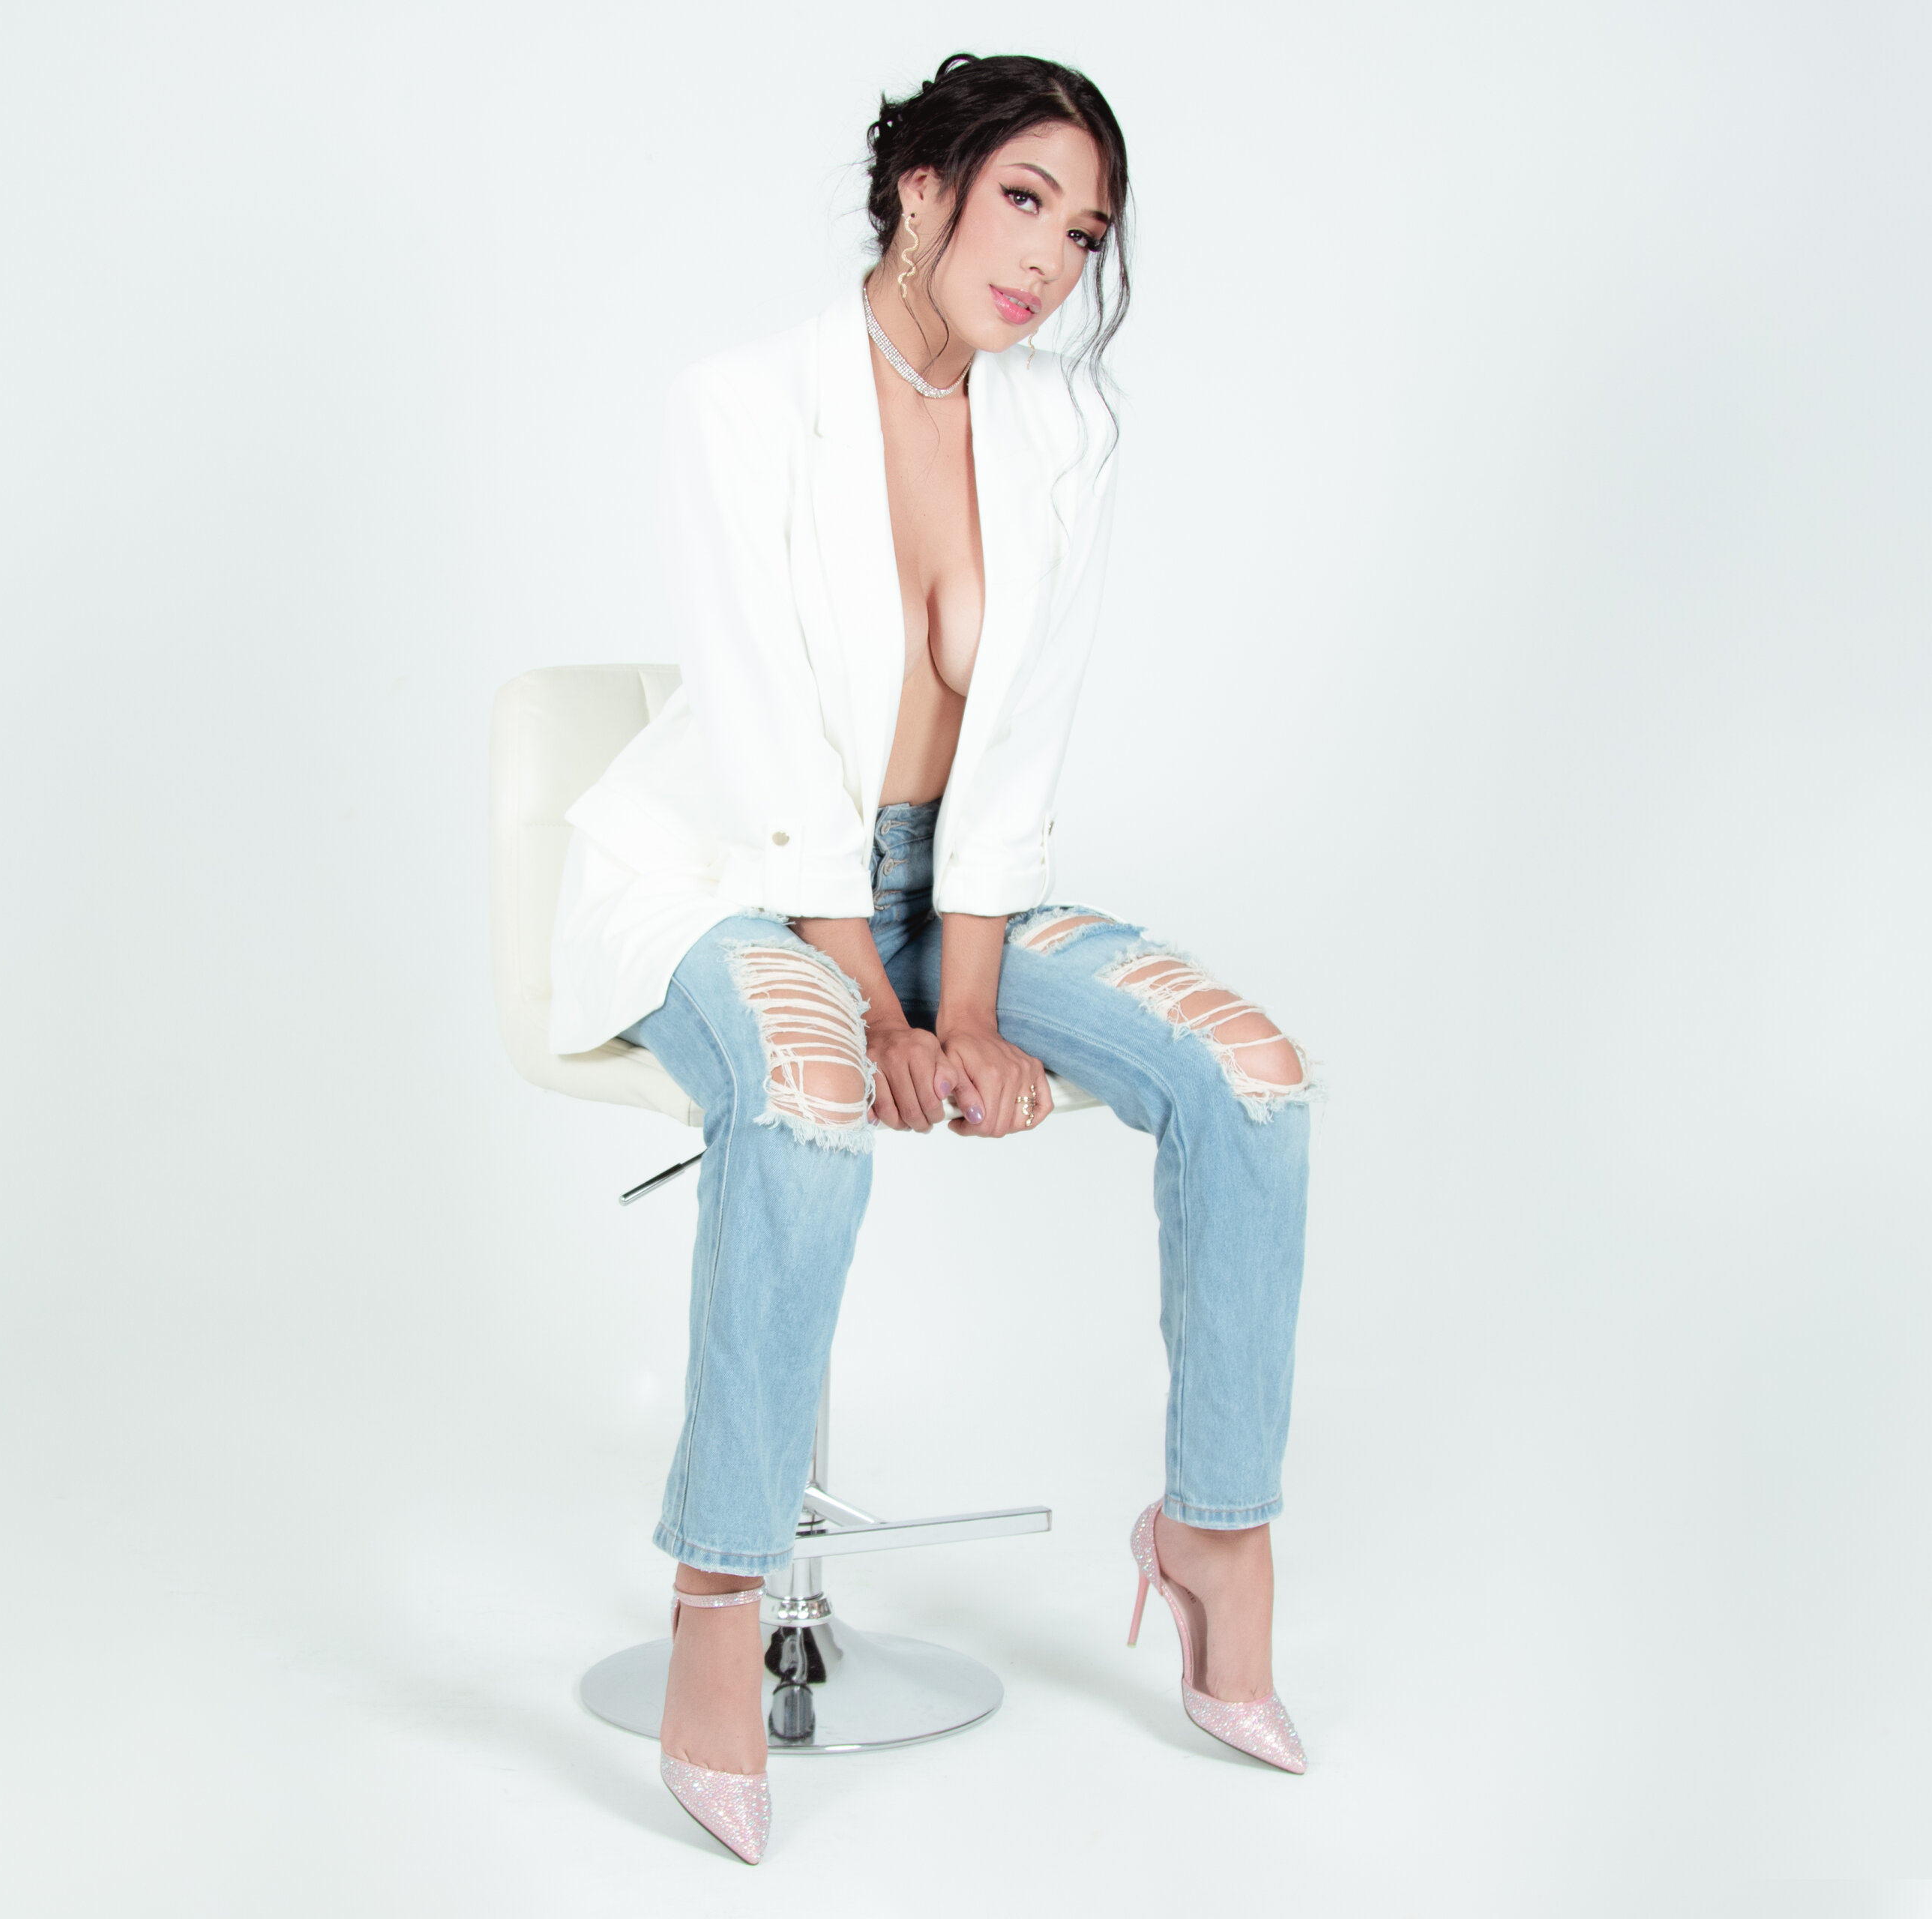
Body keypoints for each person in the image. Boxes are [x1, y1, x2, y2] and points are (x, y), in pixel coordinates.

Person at [546, 52, 1317, 1864]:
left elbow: (1018, 743)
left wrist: (963, 1004)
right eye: (1025, 199)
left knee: (1252, 1079)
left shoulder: (1062, 436)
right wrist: (881, 1013)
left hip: (943, 885)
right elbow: (763, 737)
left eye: (1087, 231)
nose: (1050, 257)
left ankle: (1216, 1533)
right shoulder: (743, 405)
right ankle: (720, 1594)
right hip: (730, 879)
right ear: (922, 187)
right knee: (817, 1095)